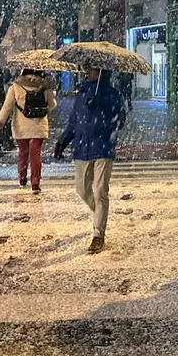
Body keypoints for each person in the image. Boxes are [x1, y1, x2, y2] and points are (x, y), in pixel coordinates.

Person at [55, 69, 127, 254]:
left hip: (103, 147)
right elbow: (74, 121)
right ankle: (100, 214)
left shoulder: (113, 94)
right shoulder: (82, 93)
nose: (89, 72)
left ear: (103, 72)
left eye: (94, 69)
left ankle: (98, 235)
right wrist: (63, 141)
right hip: (82, 147)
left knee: (100, 189)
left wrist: (102, 105)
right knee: (82, 189)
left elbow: (120, 120)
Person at [0, 68, 57, 194]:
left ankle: (22, 178)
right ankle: (35, 182)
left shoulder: (16, 87)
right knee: (36, 154)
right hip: (39, 125)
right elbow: (53, 104)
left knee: (23, 153)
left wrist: (1, 120)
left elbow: (7, 105)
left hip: (21, 125)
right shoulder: (45, 86)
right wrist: (43, 108)